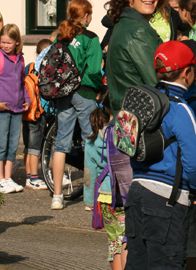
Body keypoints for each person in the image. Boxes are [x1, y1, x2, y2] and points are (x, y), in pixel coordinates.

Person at [124, 41, 196, 270]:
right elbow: (194, 161)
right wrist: (195, 189)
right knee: (167, 263)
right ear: (187, 73)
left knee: (137, 263)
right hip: (167, 198)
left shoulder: (142, 102)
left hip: (136, 191)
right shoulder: (180, 108)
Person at [51, 0, 104, 210]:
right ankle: (90, 199)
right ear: (86, 15)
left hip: (63, 94)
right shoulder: (91, 38)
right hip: (85, 92)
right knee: (89, 142)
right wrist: (99, 88)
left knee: (61, 143)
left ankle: (57, 196)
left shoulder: (61, 37)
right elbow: (93, 70)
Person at [105, 0, 167, 113]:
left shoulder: (123, 24)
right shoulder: (138, 31)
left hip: (125, 121)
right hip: (141, 124)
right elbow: (156, 82)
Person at [86, 91, 127, 270]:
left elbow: (89, 173)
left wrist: (89, 201)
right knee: (126, 240)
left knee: (114, 242)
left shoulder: (93, 138)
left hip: (104, 197)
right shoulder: (123, 133)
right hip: (121, 193)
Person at [0, 23, 28, 194]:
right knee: (0, 144)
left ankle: (8, 178)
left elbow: (22, 82)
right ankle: (0, 179)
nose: (5, 46)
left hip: (17, 108)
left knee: (12, 146)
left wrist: (27, 99)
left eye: (9, 43)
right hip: (1, 109)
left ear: (17, 42)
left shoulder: (20, 59)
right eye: (3, 42)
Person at [22, 37, 52, 190]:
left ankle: (28, 176)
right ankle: (34, 177)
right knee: (35, 146)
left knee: (28, 146)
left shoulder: (29, 67)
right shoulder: (46, 70)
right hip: (39, 112)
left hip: (27, 111)